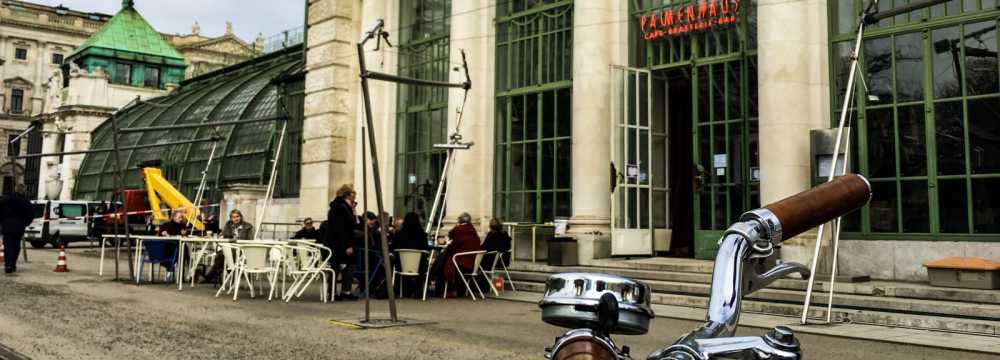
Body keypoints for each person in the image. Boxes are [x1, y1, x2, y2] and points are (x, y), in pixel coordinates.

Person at [432, 212, 482, 298]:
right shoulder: (474, 233)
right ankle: (437, 282)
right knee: (443, 259)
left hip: (460, 263)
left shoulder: (459, 231)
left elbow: (452, 247)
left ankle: (439, 288)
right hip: (472, 264)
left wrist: (456, 226)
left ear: (459, 221)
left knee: (442, 260)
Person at [200, 209, 254, 283]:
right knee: (222, 254)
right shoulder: (228, 225)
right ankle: (231, 275)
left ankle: (211, 276)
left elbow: (250, 241)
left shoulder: (248, 226)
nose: (236, 218)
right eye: (233, 217)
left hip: (242, 250)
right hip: (230, 248)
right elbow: (222, 235)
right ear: (231, 218)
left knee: (222, 255)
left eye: (237, 216)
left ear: (241, 216)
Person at [328, 184, 360, 300]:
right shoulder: (340, 207)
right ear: (347, 195)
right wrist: (347, 245)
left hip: (341, 241)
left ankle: (344, 291)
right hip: (339, 243)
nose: (354, 199)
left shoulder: (343, 207)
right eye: (353, 196)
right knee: (337, 267)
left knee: (348, 265)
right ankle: (333, 292)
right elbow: (341, 228)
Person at [390, 212, 430, 297]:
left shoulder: (399, 234)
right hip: (419, 266)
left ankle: (402, 289)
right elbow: (426, 250)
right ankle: (418, 290)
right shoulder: (422, 235)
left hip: (401, 265)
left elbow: (392, 247)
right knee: (424, 262)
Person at [1, 184, 33, 274]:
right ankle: (13, 264)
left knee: (8, 246)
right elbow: (30, 216)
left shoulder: (7, 199)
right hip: (19, 227)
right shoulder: (26, 202)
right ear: (24, 190)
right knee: (16, 246)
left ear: (15, 189)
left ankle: (8, 265)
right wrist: (25, 223)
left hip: (7, 226)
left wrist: (2, 222)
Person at [155, 209, 189, 274]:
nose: (181, 219)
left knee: (184, 248)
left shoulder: (183, 225)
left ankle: (181, 273)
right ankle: (179, 272)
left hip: (178, 248)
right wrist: (162, 234)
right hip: (167, 249)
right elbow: (159, 235)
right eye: (179, 217)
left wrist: (185, 234)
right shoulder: (166, 225)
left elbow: (186, 234)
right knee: (183, 249)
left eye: (182, 217)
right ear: (174, 217)